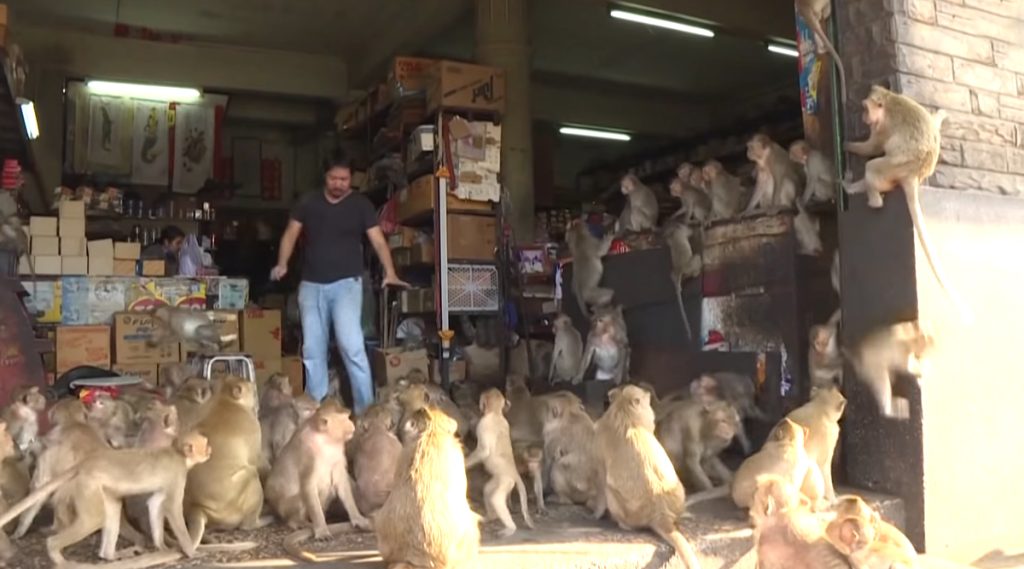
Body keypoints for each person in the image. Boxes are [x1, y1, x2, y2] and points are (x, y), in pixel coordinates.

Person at [271, 155, 407, 414]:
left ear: (351, 179)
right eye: (334, 178)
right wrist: (282, 263)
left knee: (352, 346)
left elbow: (378, 241)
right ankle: (317, 408)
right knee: (312, 349)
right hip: (311, 286)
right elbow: (291, 233)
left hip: (347, 285)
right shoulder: (308, 202)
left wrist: (390, 271)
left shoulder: (361, 206)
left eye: (344, 179)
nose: (339, 184)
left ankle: (366, 411)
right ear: (325, 177)